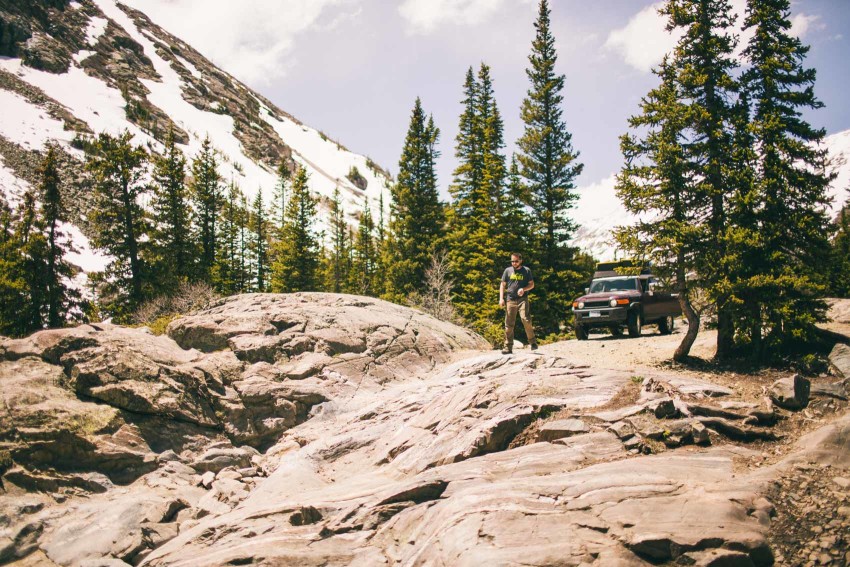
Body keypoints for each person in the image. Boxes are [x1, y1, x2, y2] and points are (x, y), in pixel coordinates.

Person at [499, 252, 537, 354]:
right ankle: (508, 347)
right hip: (510, 300)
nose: (514, 263)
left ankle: (532, 342)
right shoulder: (508, 271)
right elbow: (502, 285)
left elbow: (532, 285)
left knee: (525, 319)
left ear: (520, 260)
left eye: (516, 261)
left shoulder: (526, 271)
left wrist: (524, 289)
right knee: (509, 325)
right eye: (512, 261)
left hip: (522, 299)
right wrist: (501, 298)